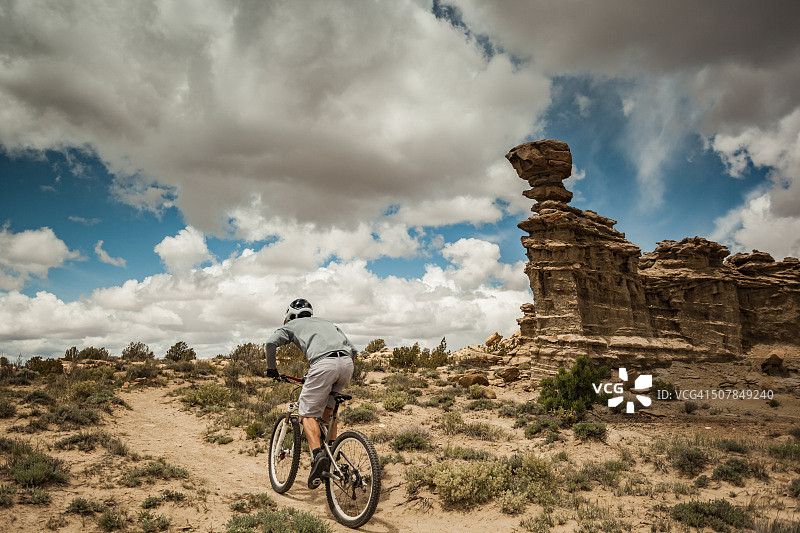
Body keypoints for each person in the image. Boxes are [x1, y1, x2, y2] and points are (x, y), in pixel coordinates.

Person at [265, 298, 356, 488]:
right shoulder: (327, 323)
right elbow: (353, 350)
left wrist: (271, 369)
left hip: (322, 365)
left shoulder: (292, 325)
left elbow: (271, 343)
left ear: (290, 316)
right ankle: (332, 452)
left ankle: (318, 457)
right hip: (347, 364)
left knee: (306, 414)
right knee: (328, 411)